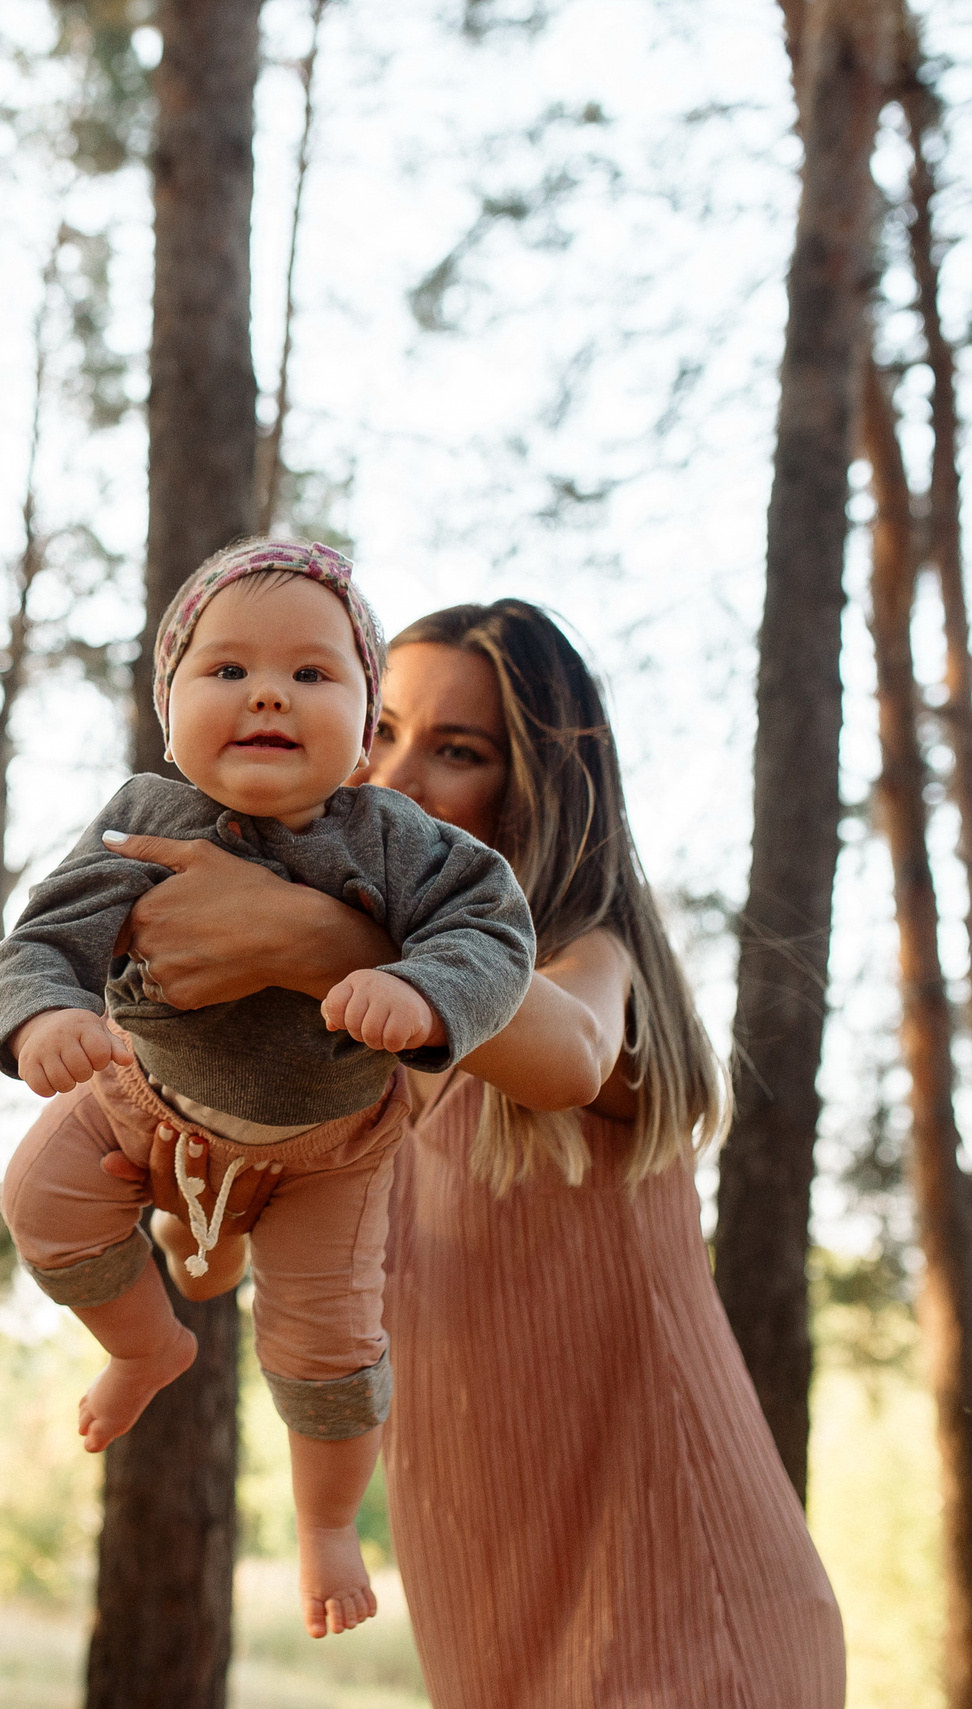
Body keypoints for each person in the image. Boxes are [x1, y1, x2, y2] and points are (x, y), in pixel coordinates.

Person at [106, 599, 848, 1706]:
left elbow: (571, 1052)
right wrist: (188, 1192)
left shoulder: (584, 964)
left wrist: (309, 939)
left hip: (690, 1610)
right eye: (384, 730)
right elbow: (214, 1266)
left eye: (458, 749)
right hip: (485, 1614)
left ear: (541, 786)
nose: (393, 775)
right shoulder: (343, 1049)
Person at [0, 541, 536, 1642]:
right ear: (170, 702)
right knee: (38, 1197)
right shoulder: (143, 818)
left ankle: (327, 1522)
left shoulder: (395, 839)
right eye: (226, 670)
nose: (269, 692)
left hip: (328, 1147)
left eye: (314, 673)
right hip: (144, 1097)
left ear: (360, 716)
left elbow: (492, 928)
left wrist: (423, 990)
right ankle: (146, 1344)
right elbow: (44, 937)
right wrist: (45, 1013)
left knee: (325, 1344)